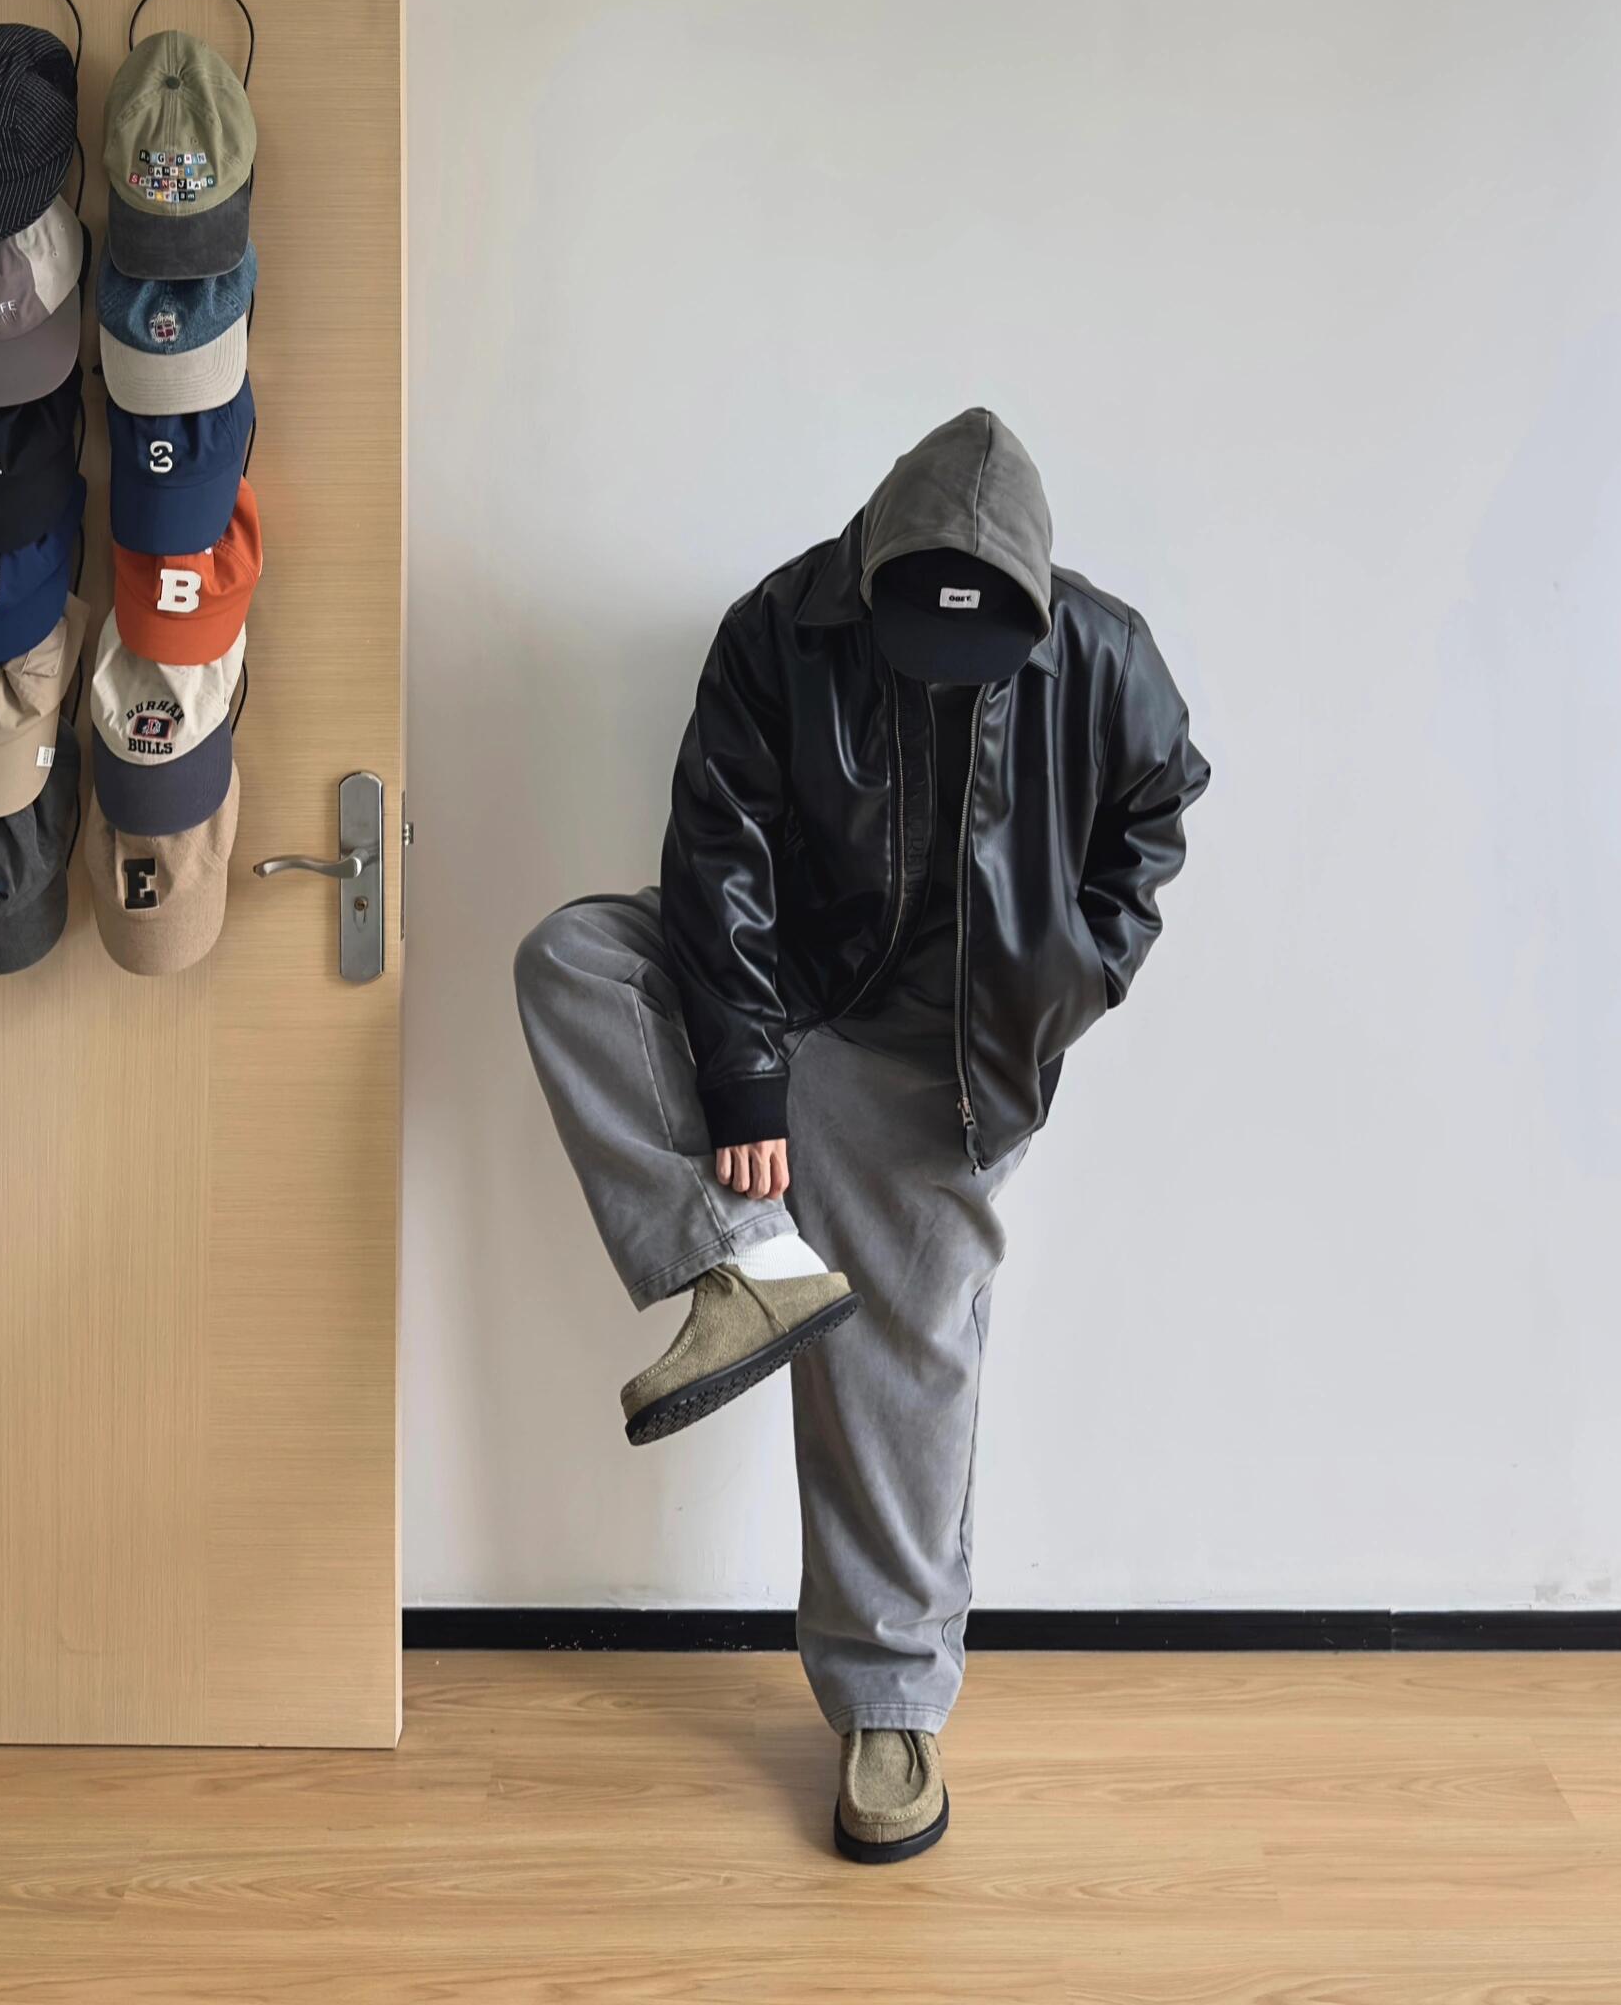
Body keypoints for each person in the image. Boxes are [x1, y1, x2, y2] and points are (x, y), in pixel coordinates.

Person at [515, 406, 1209, 1864]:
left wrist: (1065, 989)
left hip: (948, 1061)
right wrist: (745, 1083)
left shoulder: (1104, 656)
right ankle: (743, 1264)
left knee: (903, 1375)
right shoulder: (781, 632)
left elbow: (1155, 813)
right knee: (576, 958)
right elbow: (716, 859)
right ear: (872, 574)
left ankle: (890, 1704)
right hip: (789, 999)